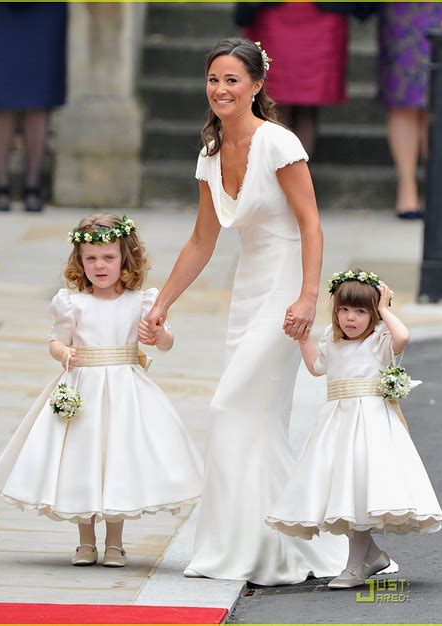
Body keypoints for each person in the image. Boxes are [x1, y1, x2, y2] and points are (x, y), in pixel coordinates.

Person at [143, 37, 349, 585]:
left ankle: (283, 541)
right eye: (213, 79)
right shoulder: (210, 153)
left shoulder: (279, 143)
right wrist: (161, 304)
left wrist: (308, 296)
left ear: (256, 85)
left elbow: (311, 224)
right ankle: (267, 544)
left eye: (232, 80)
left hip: (286, 290)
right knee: (255, 421)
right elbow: (201, 240)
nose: (220, 89)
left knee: (228, 408)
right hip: (248, 291)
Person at [0, 213, 202, 567]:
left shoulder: (141, 301)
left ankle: (115, 543)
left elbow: (167, 342)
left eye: (108, 257)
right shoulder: (72, 303)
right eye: (91, 258)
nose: (100, 265)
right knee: (82, 460)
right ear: (80, 261)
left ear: (125, 258)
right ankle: (86, 542)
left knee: (117, 460)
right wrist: (63, 353)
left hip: (125, 394)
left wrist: (158, 334)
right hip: (83, 390)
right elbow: (56, 341)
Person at [267, 271, 442, 588]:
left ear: (373, 314)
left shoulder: (379, 341)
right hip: (337, 424)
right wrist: (303, 338)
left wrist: (385, 308)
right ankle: (371, 556)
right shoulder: (332, 341)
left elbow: (403, 337)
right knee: (345, 492)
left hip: (369, 426)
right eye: (345, 310)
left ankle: (354, 567)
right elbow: (316, 367)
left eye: (361, 311)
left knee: (359, 488)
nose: (351, 318)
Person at [0, 2, 68, 211]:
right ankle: (1, 184)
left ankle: (33, 184)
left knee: (39, 93)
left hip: (45, 10)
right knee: (0, 91)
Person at [237, 2, 349, 156]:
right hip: (272, 15)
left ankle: (296, 168)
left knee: (308, 104)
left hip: (321, 16)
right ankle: (277, 166)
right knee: (275, 102)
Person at [377, 2, 442, 219]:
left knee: (441, 96)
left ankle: (438, 188)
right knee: (403, 95)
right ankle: (407, 188)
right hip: (402, 11)